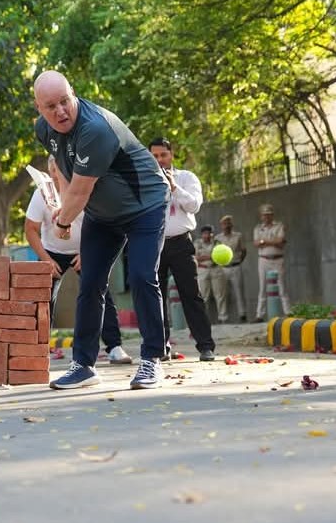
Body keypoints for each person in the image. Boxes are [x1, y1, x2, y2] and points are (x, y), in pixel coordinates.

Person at [33, 70, 169, 390]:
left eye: (65, 101)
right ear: (39, 108)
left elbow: (81, 190)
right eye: (51, 106)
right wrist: (62, 204)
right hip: (102, 214)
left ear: (73, 93)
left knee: (141, 276)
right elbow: (65, 169)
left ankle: (152, 359)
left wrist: (63, 222)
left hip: (145, 206)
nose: (60, 111)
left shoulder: (95, 128)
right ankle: (83, 365)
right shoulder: (44, 129)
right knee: (91, 282)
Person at [24, 156, 133, 365]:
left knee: (100, 292)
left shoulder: (84, 189)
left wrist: (87, 253)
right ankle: (38, 349)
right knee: (41, 298)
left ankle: (114, 347)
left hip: (85, 249)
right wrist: (46, 260)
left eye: (62, 168)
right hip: (51, 252)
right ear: (50, 172)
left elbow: (101, 223)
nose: (59, 174)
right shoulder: (41, 194)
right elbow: (30, 229)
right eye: (54, 170)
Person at [148, 138, 216, 361]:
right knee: (155, 297)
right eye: (155, 156)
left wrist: (174, 188)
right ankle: (161, 347)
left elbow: (194, 205)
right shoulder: (144, 180)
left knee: (191, 294)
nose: (160, 160)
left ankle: (205, 346)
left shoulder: (187, 178)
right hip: (154, 243)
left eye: (163, 155)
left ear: (171, 155)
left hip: (180, 243)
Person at [253, 203, 291, 321]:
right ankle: (259, 315)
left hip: (277, 259)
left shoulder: (279, 226)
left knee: (281, 286)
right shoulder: (258, 228)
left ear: (272, 215)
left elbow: (280, 241)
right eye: (264, 215)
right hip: (263, 259)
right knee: (262, 287)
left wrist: (264, 241)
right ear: (261, 216)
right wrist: (273, 241)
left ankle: (288, 312)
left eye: (269, 214)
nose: (266, 217)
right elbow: (256, 243)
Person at [193, 224, 228, 323]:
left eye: (209, 233)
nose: (207, 235)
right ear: (202, 234)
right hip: (203, 269)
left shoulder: (217, 243)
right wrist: (210, 256)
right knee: (204, 295)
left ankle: (223, 318)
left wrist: (205, 257)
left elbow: (221, 256)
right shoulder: (197, 243)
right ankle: (204, 319)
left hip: (215, 269)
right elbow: (195, 257)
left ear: (212, 234)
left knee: (220, 294)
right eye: (205, 233)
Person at [216, 214, 247, 322]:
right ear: (221, 225)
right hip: (223, 268)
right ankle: (223, 317)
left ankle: (242, 315)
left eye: (229, 223)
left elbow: (243, 250)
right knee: (222, 293)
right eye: (225, 224)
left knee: (239, 292)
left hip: (235, 266)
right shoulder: (218, 238)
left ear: (232, 224)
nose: (227, 225)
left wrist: (239, 261)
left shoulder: (238, 236)